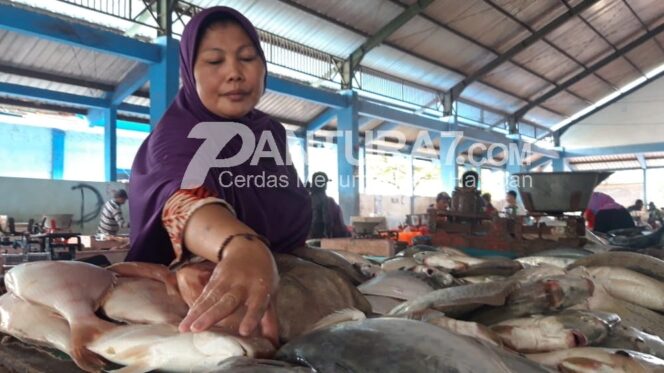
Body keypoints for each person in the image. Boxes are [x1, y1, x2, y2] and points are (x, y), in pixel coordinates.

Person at [127, 7, 311, 346]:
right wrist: (239, 248)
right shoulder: (177, 136)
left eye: (247, 58)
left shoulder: (270, 133)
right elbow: (178, 197)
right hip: (200, 303)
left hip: (287, 284)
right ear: (188, 72)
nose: (235, 73)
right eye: (214, 62)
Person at [308, 172, 350, 239]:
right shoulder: (330, 203)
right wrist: (349, 233)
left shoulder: (305, 202)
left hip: (306, 243)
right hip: (324, 243)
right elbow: (339, 229)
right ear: (325, 185)